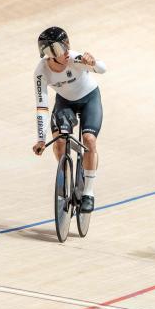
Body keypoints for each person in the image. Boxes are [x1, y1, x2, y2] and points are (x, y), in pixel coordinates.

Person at [32, 27, 106, 213]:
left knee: (89, 140)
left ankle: (88, 192)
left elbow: (103, 69)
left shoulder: (75, 58)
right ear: (48, 54)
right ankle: (65, 177)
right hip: (65, 103)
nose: (65, 52)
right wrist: (41, 139)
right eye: (58, 50)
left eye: (66, 46)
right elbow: (42, 106)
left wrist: (93, 62)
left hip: (90, 98)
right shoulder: (41, 71)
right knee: (59, 142)